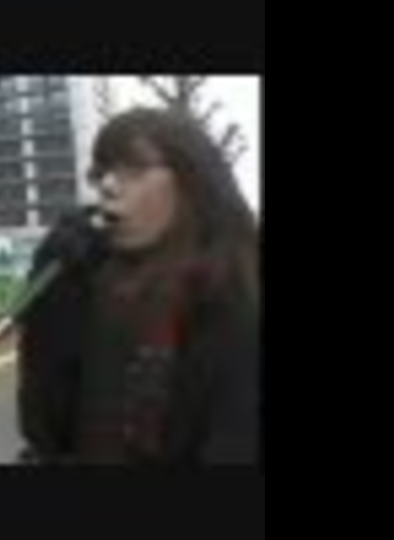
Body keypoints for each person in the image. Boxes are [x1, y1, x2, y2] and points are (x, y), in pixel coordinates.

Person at [17, 108, 260, 466]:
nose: (107, 186)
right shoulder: (97, 283)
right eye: (100, 173)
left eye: (133, 169)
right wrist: (52, 299)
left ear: (192, 181)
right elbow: (46, 432)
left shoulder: (237, 299)